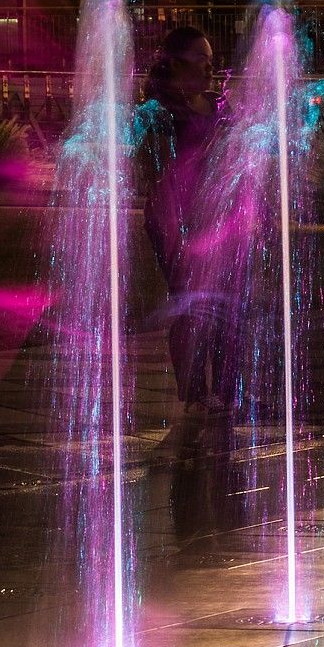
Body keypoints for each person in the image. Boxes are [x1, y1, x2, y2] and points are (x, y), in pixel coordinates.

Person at [137, 25, 223, 408]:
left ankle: (224, 390)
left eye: (211, 60)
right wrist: (178, 236)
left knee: (223, 303)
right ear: (175, 64)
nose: (209, 69)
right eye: (201, 60)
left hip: (217, 222)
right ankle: (194, 393)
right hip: (176, 221)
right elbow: (157, 179)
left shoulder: (219, 105)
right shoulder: (158, 114)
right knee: (192, 303)